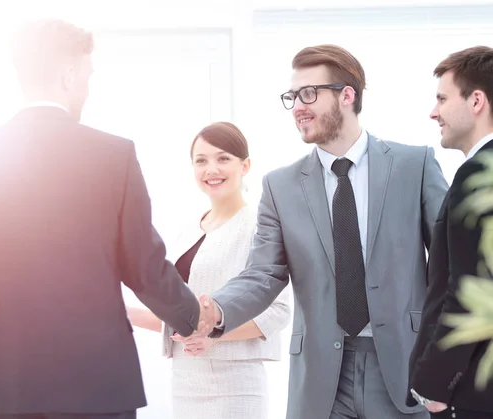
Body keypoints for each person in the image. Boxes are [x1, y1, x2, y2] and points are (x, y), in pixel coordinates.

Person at [0, 18, 209, 419]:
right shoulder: (114, 156)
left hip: (6, 382)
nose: (88, 85)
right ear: (69, 75)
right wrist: (192, 317)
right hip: (100, 381)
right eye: (87, 74)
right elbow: (144, 266)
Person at [197, 44, 449, 419]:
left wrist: (451, 354)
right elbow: (262, 274)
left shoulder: (415, 166)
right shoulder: (281, 186)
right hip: (320, 377)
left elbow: (451, 263)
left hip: (402, 364)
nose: (298, 106)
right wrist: (217, 309)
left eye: (309, 93)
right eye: (292, 96)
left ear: (347, 95)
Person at [128, 121, 290, 419]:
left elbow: (278, 311)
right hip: (186, 383)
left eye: (223, 158)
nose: (211, 169)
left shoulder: (259, 227)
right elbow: (178, 317)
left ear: (245, 165)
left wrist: (213, 334)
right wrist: (120, 311)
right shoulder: (187, 231)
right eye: (201, 161)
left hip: (235, 387)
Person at [408, 46, 493, 419]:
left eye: (442, 98)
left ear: (476, 101)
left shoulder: (478, 175)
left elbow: (471, 290)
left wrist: (433, 385)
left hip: (472, 392)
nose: (433, 112)